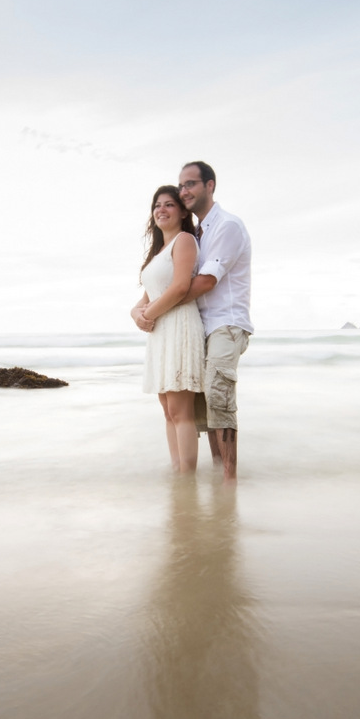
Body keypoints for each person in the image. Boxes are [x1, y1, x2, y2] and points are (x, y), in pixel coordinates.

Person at [133, 161, 252, 483]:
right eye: (180, 186)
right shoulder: (195, 233)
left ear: (209, 185)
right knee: (185, 409)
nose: (184, 192)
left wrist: (153, 311)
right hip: (184, 324)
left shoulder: (224, 227)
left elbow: (199, 283)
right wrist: (139, 312)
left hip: (224, 321)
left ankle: (228, 481)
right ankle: (205, 475)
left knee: (215, 394)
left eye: (189, 186)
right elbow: (157, 289)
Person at [136, 185, 206, 472]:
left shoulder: (184, 240)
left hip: (179, 327)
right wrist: (135, 313)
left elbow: (179, 288)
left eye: (169, 205)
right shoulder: (158, 252)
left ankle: (187, 478)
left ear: (182, 211)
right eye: (157, 205)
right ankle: (178, 475)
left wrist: (147, 314)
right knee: (168, 411)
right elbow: (149, 294)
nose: (161, 210)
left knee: (181, 411)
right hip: (160, 332)